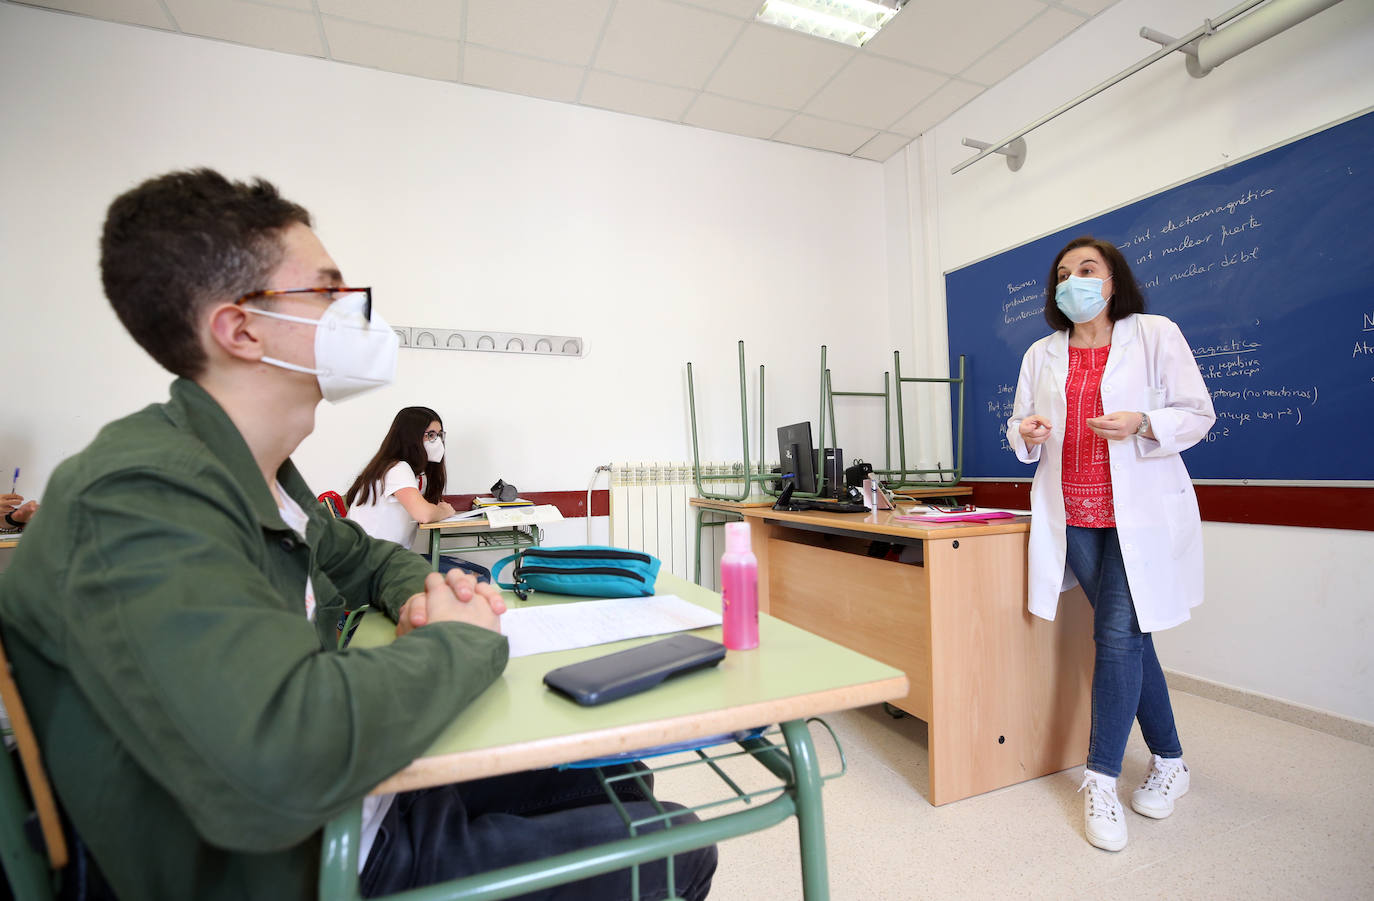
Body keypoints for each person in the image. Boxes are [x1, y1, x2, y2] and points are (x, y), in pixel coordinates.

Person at [0, 169, 715, 900]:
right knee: (676, 849)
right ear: (242, 328)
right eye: (329, 291)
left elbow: (368, 557)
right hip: (314, 862)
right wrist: (462, 637)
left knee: (619, 775)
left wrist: (426, 591)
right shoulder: (141, 494)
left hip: (362, 803)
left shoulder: (268, 478)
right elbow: (278, 750)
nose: (355, 311)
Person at [1006, 236, 1216, 853]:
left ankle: (1099, 777)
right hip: (1073, 516)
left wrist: (1143, 423)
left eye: (1087, 270)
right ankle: (1172, 759)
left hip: (1139, 518)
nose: (1074, 281)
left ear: (1112, 280)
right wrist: (1028, 429)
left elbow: (1197, 413)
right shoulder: (1041, 353)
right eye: (1063, 274)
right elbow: (1019, 428)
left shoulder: (1154, 334)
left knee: (1116, 637)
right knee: (1131, 636)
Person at [345, 406, 491, 581]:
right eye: (430, 435)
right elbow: (425, 514)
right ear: (410, 438)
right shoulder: (398, 469)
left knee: (479, 574)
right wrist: (445, 510)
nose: (437, 441)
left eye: (439, 435)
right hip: (370, 568)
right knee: (477, 578)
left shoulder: (411, 473)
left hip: (386, 560)